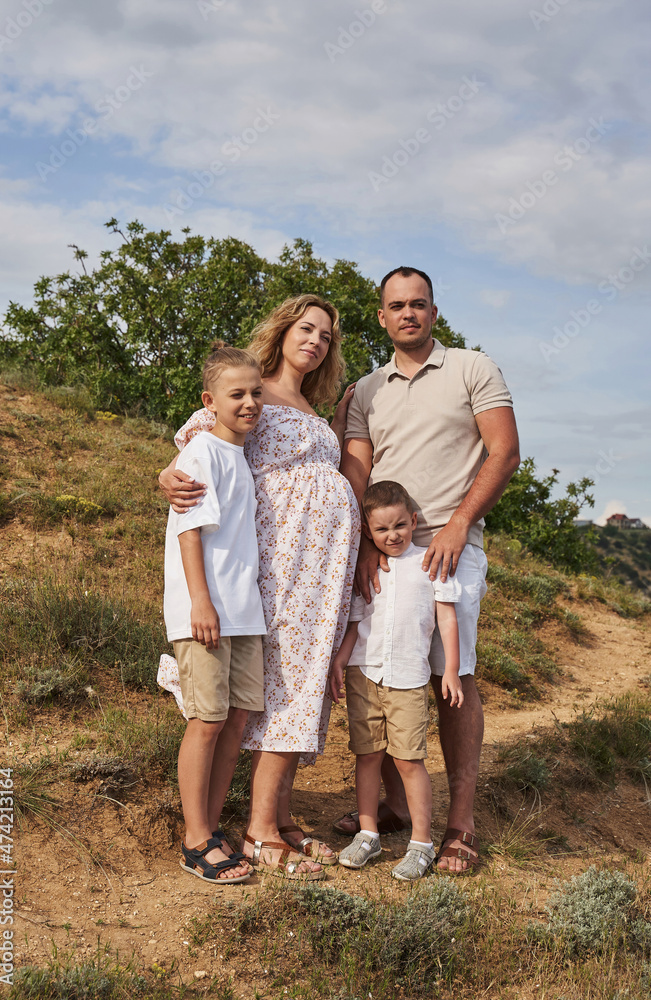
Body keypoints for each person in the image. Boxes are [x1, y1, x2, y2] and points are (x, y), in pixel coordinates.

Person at [159, 295, 360, 880]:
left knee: (288, 688)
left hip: (314, 573)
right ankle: (247, 827)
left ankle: (281, 817)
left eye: (326, 335)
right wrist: (166, 477)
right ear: (283, 331)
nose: (316, 340)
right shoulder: (253, 391)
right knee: (270, 690)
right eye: (306, 328)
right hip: (277, 564)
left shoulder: (314, 407)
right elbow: (196, 444)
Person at [335, 266, 520, 874]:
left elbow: (504, 450)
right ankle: (392, 807)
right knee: (386, 674)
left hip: (448, 545)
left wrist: (462, 523)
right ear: (382, 317)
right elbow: (358, 467)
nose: (408, 313)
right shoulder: (364, 390)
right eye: (396, 305)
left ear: (434, 312)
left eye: (419, 303)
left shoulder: (472, 367)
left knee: (452, 676)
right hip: (384, 552)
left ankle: (460, 827)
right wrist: (365, 542)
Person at [165, 343, 267, 884]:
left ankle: (212, 825)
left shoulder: (240, 456)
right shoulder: (202, 450)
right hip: (206, 610)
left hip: (244, 613)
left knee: (237, 720)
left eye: (256, 393)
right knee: (206, 720)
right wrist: (201, 600)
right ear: (210, 400)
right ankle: (194, 839)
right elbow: (189, 531)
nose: (249, 402)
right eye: (237, 394)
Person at [329, 481, 463, 881]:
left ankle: (421, 844)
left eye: (400, 525)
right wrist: (339, 661)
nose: (393, 536)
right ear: (369, 533)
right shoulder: (369, 568)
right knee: (367, 755)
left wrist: (452, 670)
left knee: (408, 759)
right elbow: (356, 624)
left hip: (408, 678)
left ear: (414, 520)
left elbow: (447, 620)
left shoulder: (429, 563)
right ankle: (368, 834)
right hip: (364, 673)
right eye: (382, 530)